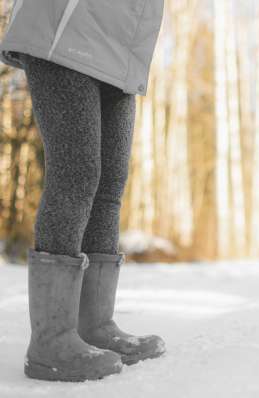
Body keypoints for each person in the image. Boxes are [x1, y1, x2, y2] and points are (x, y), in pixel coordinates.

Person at [0, 0, 165, 382]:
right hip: (67, 34)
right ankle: (51, 341)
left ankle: (95, 327)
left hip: (122, 51)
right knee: (76, 176)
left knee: (108, 186)